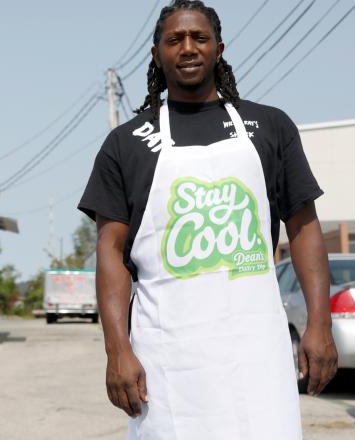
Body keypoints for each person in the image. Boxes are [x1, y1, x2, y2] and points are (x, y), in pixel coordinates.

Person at [77, 1, 338, 438]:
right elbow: (110, 250)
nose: (187, 48)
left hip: (257, 348)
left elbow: (304, 228)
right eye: (174, 39)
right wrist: (116, 349)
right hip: (167, 356)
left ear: (219, 48)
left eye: (198, 37)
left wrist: (320, 324)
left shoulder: (269, 126)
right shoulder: (126, 144)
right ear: (157, 53)